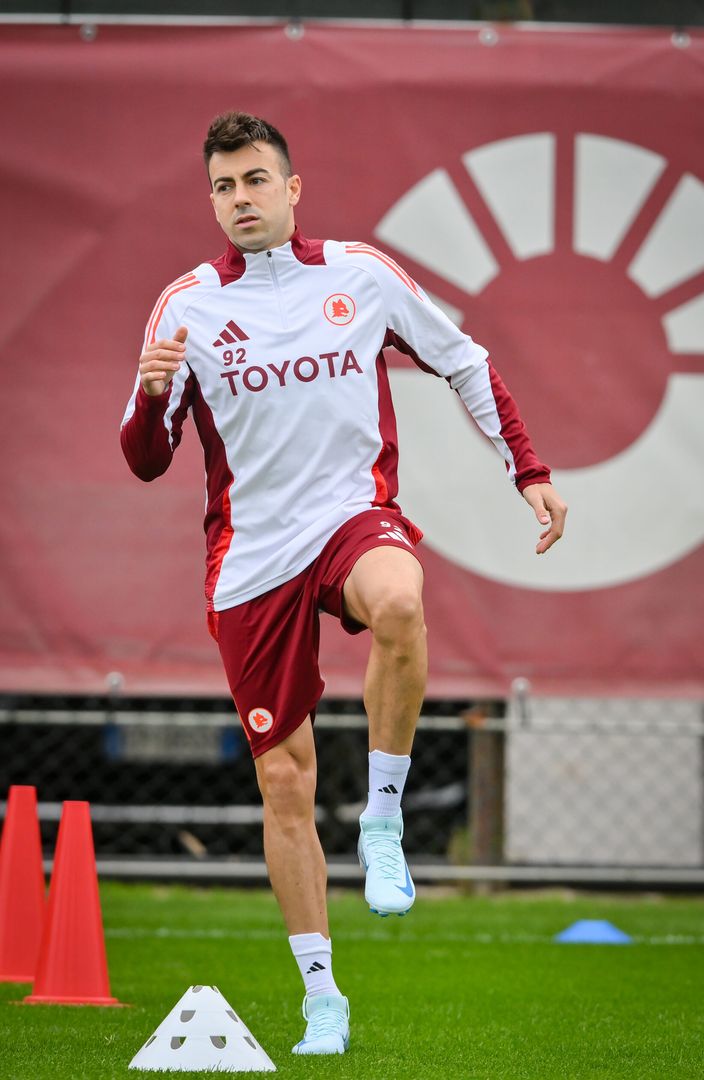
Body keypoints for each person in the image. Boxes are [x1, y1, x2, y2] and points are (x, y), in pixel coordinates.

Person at [120, 111, 567, 1056]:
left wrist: (528, 469)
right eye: (223, 187)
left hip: (349, 521)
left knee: (401, 599)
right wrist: (155, 392)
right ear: (211, 201)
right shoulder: (186, 307)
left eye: (254, 181)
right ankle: (323, 995)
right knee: (284, 787)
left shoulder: (360, 274)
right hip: (249, 562)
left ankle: (385, 819)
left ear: (292, 188)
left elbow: (465, 359)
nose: (239, 200)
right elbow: (147, 460)